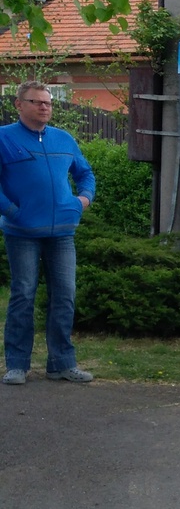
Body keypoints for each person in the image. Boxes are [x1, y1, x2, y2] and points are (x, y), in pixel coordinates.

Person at [1, 82, 97, 386]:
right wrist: (12, 211)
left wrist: (82, 200)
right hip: (22, 233)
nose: (45, 107)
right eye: (37, 102)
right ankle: (17, 365)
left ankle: (61, 364)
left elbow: (85, 173)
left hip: (62, 234)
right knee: (23, 295)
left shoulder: (63, 139)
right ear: (19, 105)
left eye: (49, 103)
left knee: (65, 296)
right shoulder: (4, 138)